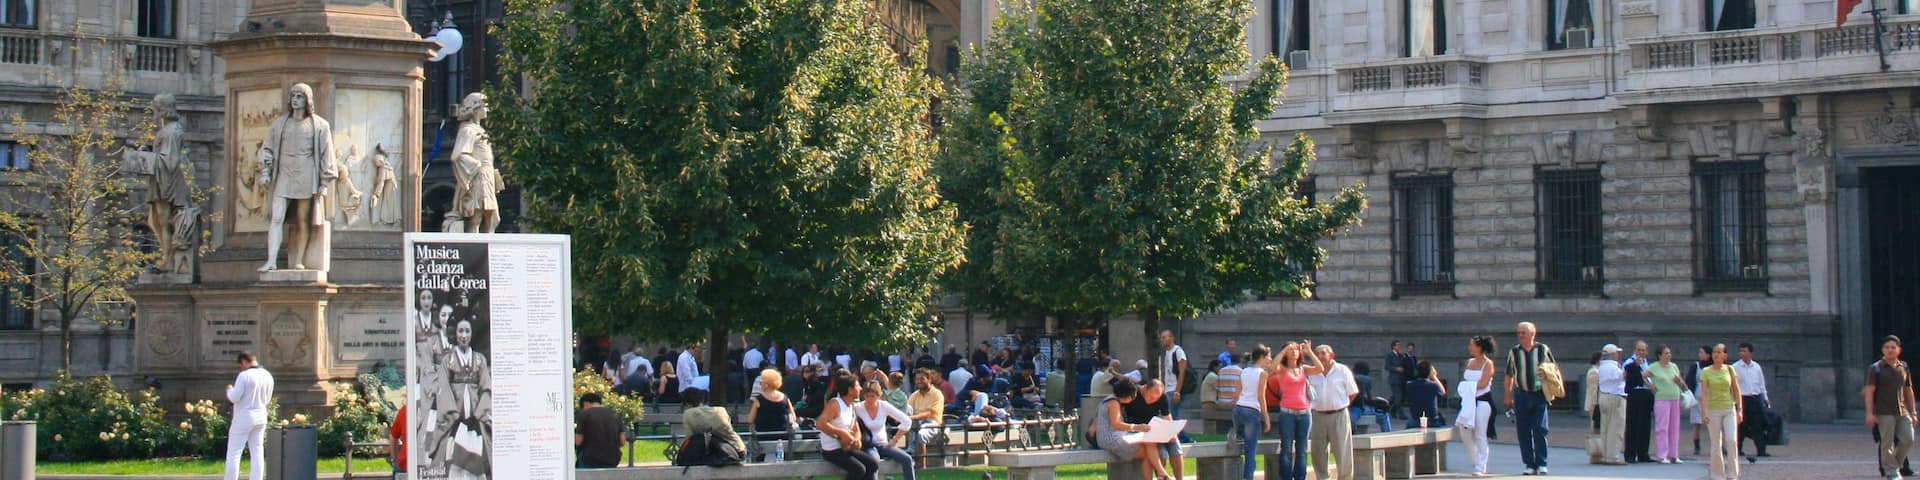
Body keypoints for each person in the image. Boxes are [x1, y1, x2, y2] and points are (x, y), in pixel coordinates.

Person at [255, 83, 338, 272]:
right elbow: (267, 148)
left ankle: (299, 260)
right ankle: (271, 260)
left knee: (303, 219)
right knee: (276, 217)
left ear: (307, 100)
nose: (295, 100)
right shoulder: (279, 124)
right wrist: (266, 171)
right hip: (284, 175)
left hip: (306, 175)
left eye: (300, 96)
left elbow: (327, 155)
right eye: (293, 96)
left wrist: (324, 183)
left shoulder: (320, 125)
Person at [1505, 321, 1556, 476]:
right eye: (1518, 333)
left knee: (1540, 429)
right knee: (1523, 431)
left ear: (1532, 334)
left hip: (1539, 394)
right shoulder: (1514, 351)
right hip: (1521, 394)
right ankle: (1529, 464)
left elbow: (1553, 369)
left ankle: (1542, 463)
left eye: (1523, 332)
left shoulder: (1542, 349)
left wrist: (1548, 376)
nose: (1520, 335)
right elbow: (1509, 374)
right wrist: (1508, 395)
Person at [1095, 378, 1171, 480]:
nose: (1134, 398)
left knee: (1149, 445)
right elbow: (1115, 424)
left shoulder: (1112, 400)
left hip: (1119, 435)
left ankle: (1162, 474)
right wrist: (1137, 427)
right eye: (1133, 395)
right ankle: (1162, 474)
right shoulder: (1113, 402)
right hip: (1111, 438)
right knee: (1148, 452)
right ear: (1127, 395)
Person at [1267, 342, 1322, 480]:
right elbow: (1272, 367)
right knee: (1286, 447)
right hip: (1287, 413)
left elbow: (1319, 368)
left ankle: (1300, 477)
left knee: (1302, 449)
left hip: (1305, 413)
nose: (1294, 352)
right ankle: (1286, 477)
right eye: (1291, 350)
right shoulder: (1282, 369)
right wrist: (1284, 349)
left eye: (1296, 349)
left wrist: (1309, 352)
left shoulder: (1303, 368)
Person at [450, 92, 502, 233]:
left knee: (493, 218)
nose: (487, 110)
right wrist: (477, 167)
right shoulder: (468, 130)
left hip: (487, 176)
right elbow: (458, 155)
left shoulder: (478, 129)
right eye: (485, 106)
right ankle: (474, 245)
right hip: (479, 177)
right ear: (476, 108)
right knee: (476, 218)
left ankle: (487, 245)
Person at [1866, 335, 1916, 480]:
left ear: (1899, 350)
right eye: (1887, 347)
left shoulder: (1903, 367)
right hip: (1883, 411)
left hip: (1902, 410)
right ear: (1882, 350)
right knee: (1887, 443)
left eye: (1893, 347)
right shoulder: (1875, 368)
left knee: (1908, 439)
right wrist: (1869, 413)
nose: (1890, 350)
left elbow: (1908, 390)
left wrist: (1913, 412)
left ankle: (1894, 465)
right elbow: (1869, 392)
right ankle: (1892, 472)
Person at [817, 370, 881, 480]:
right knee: (859, 470)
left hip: (846, 448)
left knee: (872, 465)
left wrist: (857, 439)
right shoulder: (835, 403)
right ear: (850, 390)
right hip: (832, 450)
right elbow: (820, 423)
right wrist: (842, 433)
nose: (860, 388)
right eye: (858, 386)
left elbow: (856, 427)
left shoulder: (850, 405)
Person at [1308, 344, 1359, 480]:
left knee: (1343, 450)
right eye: (1317, 354)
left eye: (1323, 353)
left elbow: (1353, 392)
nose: (1320, 356)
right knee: (1318, 452)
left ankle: (1345, 478)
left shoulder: (1342, 370)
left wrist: (1340, 405)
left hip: (1339, 415)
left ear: (1332, 355)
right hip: (1318, 415)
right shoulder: (1312, 372)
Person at [224, 352, 274, 480]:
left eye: (241, 365)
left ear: (244, 362)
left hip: (244, 416)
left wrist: (229, 390)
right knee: (257, 451)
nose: (241, 368)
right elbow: (268, 399)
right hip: (261, 414)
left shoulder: (244, 375)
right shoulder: (267, 375)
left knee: (234, 452)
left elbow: (235, 397)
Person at [855, 380, 918, 480]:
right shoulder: (858, 408)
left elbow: (906, 421)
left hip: (883, 444)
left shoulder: (884, 405)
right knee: (874, 462)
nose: (869, 399)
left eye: (872, 396)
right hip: (868, 445)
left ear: (879, 395)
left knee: (907, 459)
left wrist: (895, 440)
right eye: (867, 396)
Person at [1123, 380, 1184, 480]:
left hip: (1155, 428)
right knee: (1161, 452)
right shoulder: (1133, 394)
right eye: (1151, 397)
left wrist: (1172, 433)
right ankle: (1162, 476)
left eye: (1157, 398)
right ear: (1145, 389)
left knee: (1175, 446)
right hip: (1138, 430)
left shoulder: (1162, 396)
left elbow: (1167, 415)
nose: (1154, 400)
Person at [1700, 344, 1744, 480]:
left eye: (1719, 352)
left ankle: (1732, 474)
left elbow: (1736, 389)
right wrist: (1704, 412)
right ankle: (1717, 474)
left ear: (1725, 355)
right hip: (1713, 409)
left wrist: (1740, 409)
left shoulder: (1730, 369)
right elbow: (1704, 393)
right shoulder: (1706, 371)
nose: (1716, 355)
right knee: (1716, 443)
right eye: (1714, 352)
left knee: (1731, 440)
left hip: (1729, 408)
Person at [1230, 344, 1272, 480]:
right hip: (1252, 411)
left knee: (1242, 440)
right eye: (1269, 357)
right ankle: (1248, 477)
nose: (1270, 359)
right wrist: (1266, 418)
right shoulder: (1263, 373)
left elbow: (1236, 394)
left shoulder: (1243, 371)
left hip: (1238, 408)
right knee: (1250, 451)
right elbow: (1261, 396)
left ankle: (1236, 433)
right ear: (1261, 357)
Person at [1457, 336, 1497, 477]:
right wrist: (1466, 388)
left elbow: (1483, 383)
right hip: (1468, 401)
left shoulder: (1488, 363)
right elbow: (1465, 379)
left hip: (1483, 401)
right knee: (1464, 430)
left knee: (1480, 433)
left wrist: (1467, 386)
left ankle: (1481, 466)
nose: (1469, 347)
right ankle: (1476, 458)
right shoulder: (1469, 362)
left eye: (1472, 345)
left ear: (1479, 347)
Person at [1646, 345, 1687, 464]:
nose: (1669, 355)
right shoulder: (1654, 367)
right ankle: (1662, 455)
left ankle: (1673, 454)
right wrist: (1650, 385)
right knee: (1662, 427)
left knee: (1674, 427)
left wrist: (1679, 382)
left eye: (1669, 353)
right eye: (1666, 353)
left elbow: (1681, 383)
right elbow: (1643, 375)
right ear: (1660, 355)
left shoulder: (1674, 366)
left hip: (1675, 398)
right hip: (1662, 398)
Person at [1732, 343, 1771, 460]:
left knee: (1758, 426)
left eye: (1744, 351)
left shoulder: (1756, 367)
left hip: (1755, 398)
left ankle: (1761, 450)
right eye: (1740, 351)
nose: (1742, 353)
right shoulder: (1735, 367)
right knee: (1741, 426)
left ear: (1750, 353)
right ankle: (1738, 449)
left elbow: (1761, 384)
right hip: (1742, 399)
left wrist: (1765, 398)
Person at [747, 369, 798, 459]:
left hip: (763, 437)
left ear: (766, 384)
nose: (760, 384)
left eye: (761, 382)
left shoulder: (759, 399)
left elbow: (750, 420)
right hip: (783, 437)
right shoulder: (785, 398)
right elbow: (793, 416)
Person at [1594, 344, 1628, 465]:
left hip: (1604, 396)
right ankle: (1613, 456)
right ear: (1613, 354)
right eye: (1617, 353)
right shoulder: (1613, 367)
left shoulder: (1601, 366)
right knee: (1616, 428)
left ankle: (1605, 455)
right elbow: (1622, 376)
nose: (1618, 355)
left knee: (1605, 428)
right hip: (1615, 397)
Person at [905, 369, 946, 468]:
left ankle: (920, 464)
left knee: (920, 434)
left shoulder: (937, 394)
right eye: (917, 379)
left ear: (929, 379)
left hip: (932, 422)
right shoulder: (914, 395)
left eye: (922, 379)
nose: (919, 381)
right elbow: (907, 411)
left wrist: (912, 417)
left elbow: (930, 413)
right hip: (916, 422)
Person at [1624, 341, 1655, 464]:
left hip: (1646, 394)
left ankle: (1643, 454)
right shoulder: (1629, 362)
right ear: (1634, 350)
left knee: (1645, 425)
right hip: (1634, 394)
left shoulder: (1647, 363)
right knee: (1632, 425)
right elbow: (1626, 377)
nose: (1641, 352)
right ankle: (1630, 454)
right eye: (1639, 349)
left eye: (1643, 350)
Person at [576, 393, 626, 468]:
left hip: (589, 460)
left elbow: (578, 441)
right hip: (611, 459)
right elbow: (622, 441)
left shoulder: (584, 414)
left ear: (585, 403)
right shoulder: (615, 414)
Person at [1158, 329, 1191, 428]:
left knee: (1172, 417)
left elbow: (1182, 371)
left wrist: (1177, 392)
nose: (1161, 340)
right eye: (1161, 338)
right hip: (1168, 389)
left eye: (1164, 337)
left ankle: (1182, 436)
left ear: (1172, 338)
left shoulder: (1178, 351)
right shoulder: (1167, 352)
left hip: (1175, 389)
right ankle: (1179, 435)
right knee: (1171, 417)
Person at [1350, 362, 1394, 433]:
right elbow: (1369, 397)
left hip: (1354, 406)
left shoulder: (1352, 378)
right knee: (1383, 414)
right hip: (1358, 407)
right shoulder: (1366, 379)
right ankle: (1387, 433)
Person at [1404, 360, 1447, 429]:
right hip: (1432, 419)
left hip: (1415, 418)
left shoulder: (1409, 385)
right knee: (1442, 424)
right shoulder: (1433, 385)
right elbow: (1443, 392)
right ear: (1429, 372)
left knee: (1410, 422)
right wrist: (1434, 376)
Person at [1690, 345, 1712, 455]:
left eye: (1702, 352)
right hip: (1698, 396)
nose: (1700, 354)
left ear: (1708, 354)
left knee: (1713, 422)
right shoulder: (1696, 366)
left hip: (1711, 397)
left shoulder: (1713, 366)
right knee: (1697, 423)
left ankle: (1719, 445)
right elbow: (1690, 380)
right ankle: (1696, 446)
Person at [1387, 341, 1408, 420]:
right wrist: (1396, 369)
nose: (1399, 347)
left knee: (1399, 396)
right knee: (1398, 396)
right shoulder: (1390, 355)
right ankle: (1401, 414)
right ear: (1393, 346)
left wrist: (1403, 356)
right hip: (1394, 379)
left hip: (1402, 379)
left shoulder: (1401, 355)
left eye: (1400, 345)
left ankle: (1391, 409)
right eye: (1397, 345)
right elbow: (1387, 366)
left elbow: (1405, 364)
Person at [389, 405, 409, 474]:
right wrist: (395, 460)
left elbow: (393, 436)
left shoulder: (406, 409)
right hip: (404, 465)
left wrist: (394, 460)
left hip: (404, 464)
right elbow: (393, 435)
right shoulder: (406, 410)